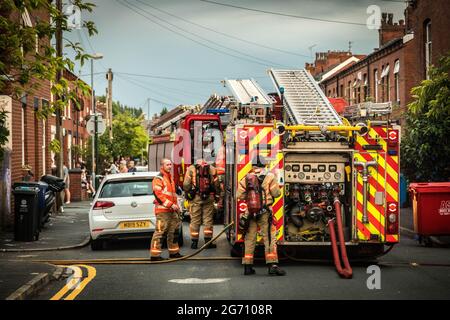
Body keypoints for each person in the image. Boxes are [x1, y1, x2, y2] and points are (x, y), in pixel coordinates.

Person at [236, 155, 286, 276]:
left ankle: (248, 267)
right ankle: (272, 265)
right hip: (265, 212)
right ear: (265, 165)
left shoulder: (246, 178)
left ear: (253, 166)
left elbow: (239, 195)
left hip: (250, 213)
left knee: (249, 238)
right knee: (269, 238)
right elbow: (276, 193)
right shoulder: (270, 177)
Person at [149, 158, 183, 261]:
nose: (170, 166)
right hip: (163, 211)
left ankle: (174, 252)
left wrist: (177, 208)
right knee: (160, 232)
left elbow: (173, 195)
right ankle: (155, 255)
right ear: (162, 166)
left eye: (170, 164)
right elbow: (158, 195)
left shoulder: (169, 178)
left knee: (174, 232)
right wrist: (170, 205)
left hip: (172, 211)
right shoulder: (159, 178)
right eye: (167, 165)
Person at [183, 158, 221, 249]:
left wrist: (188, 193)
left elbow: (186, 185)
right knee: (208, 220)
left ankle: (194, 243)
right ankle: (208, 242)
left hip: (195, 198)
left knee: (195, 220)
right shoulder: (212, 168)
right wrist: (217, 195)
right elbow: (217, 184)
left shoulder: (191, 168)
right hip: (209, 198)